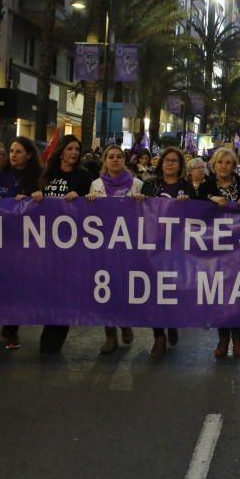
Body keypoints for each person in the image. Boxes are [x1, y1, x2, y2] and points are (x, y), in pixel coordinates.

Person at [31, 135, 93, 354]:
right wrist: (36, 195)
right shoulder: (46, 173)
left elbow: (93, 207)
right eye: (70, 149)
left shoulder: (83, 176)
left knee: (63, 290)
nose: (74, 153)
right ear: (61, 151)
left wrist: (82, 198)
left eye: (77, 149)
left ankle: (54, 335)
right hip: (44, 242)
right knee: (46, 289)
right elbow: (32, 200)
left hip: (70, 244)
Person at [0, 136, 42, 350]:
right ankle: (6, 325)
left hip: (28, 240)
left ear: (28, 155)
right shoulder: (1, 175)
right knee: (5, 284)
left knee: (20, 286)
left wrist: (37, 197)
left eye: (18, 151)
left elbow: (46, 204)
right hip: (2, 239)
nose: (13, 155)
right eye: (11, 151)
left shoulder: (37, 177)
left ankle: (11, 328)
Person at [87, 145, 143, 354]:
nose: (115, 160)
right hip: (103, 245)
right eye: (110, 157)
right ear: (105, 161)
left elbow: (148, 214)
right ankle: (110, 335)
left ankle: (125, 322)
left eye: (119, 156)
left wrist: (141, 202)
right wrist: (89, 202)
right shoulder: (96, 184)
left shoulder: (137, 184)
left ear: (124, 160)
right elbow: (88, 217)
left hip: (128, 245)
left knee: (124, 287)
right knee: (105, 290)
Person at [135, 146, 188, 358]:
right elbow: (140, 213)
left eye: (175, 161)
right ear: (161, 163)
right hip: (153, 246)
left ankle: (172, 321)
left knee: (172, 289)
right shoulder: (150, 185)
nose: (170, 164)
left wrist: (190, 203)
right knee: (155, 291)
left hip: (178, 247)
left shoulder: (186, 187)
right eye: (167, 160)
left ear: (180, 165)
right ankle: (159, 336)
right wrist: (138, 202)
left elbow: (199, 215)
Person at [202, 147, 240, 359]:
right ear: (214, 164)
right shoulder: (206, 185)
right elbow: (195, 208)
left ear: (234, 166)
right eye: (220, 162)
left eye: (229, 162)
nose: (224, 166)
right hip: (214, 247)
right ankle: (223, 337)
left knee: (237, 291)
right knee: (220, 293)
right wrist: (211, 200)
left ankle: (237, 336)